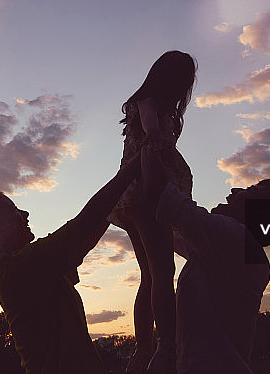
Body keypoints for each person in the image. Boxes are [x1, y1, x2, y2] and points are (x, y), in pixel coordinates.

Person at [0, 153, 141, 374]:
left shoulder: (27, 270)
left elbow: (82, 242)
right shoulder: (20, 270)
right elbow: (83, 224)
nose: (25, 213)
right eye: (14, 210)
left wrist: (115, 204)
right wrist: (130, 170)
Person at [141, 146, 270, 374]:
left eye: (249, 190)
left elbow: (159, 192)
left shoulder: (238, 242)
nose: (234, 190)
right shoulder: (220, 252)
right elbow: (169, 230)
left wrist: (148, 139)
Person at [109, 50, 197, 374]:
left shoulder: (148, 102)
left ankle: (144, 349)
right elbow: (148, 118)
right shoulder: (150, 102)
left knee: (150, 274)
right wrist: (156, 134)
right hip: (147, 195)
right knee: (162, 271)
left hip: (129, 196)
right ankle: (167, 348)